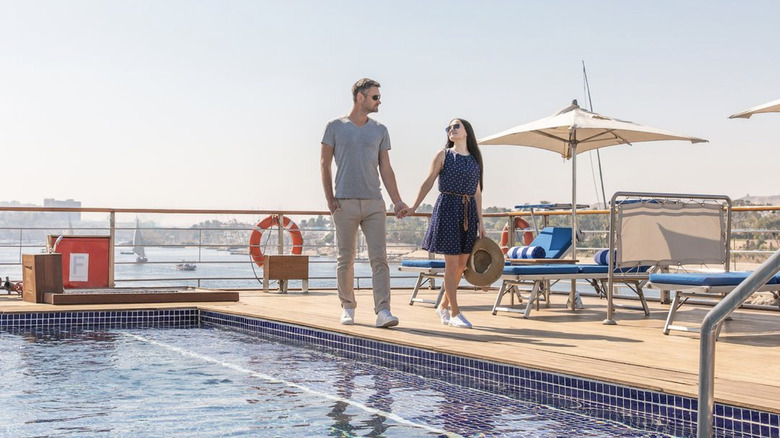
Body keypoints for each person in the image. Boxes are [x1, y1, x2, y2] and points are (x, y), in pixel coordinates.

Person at [320, 78, 408, 328]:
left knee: (379, 258)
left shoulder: (380, 130)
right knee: (345, 258)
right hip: (344, 203)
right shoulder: (334, 127)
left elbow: (386, 168)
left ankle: (383, 311)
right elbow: (324, 164)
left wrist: (397, 201)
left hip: (374, 204)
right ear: (360, 97)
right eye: (375, 97)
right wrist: (330, 198)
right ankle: (348, 307)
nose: (379, 101)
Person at [401, 118, 485, 329]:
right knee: (452, 265)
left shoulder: (475, 160)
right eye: (449, 127)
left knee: (463, 265)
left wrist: (481, 221)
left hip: (468, 214)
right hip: (447, 208)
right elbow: (429, 181)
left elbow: (476, 192)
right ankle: (456, 312)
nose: (451, 130)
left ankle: (443, 306)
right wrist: (413, 207)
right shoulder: (443, 155)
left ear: (467, 131)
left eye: (456, 126)